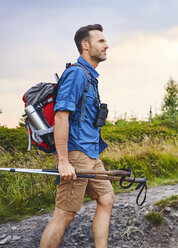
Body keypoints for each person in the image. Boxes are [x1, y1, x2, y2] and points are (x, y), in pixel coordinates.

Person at [40, 24, 114, 248]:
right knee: (65, 213)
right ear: (85, 45)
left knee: (106, 198)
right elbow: (61, 117)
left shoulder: (91, 76)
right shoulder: (76, 74)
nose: (106, 45)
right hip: (76, 154)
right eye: (100, 41)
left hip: (91, 153)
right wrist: (63, 161)